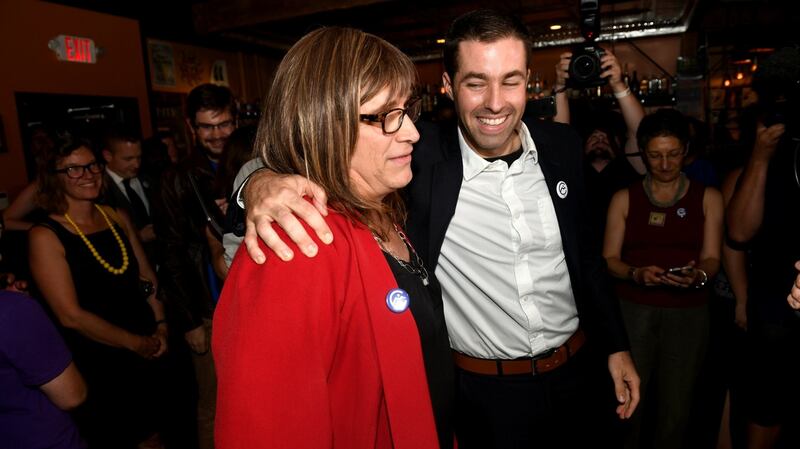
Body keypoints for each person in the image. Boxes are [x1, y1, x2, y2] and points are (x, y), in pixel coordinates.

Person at [238, 9, 639, 449]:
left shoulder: (561, 145)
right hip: (484, 393)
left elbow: (585, 258)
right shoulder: (419, 155)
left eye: (510, 80)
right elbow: (312, 135)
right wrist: (258, 182)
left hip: (577, 371)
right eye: (475, 82)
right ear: (448, 87)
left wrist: (615, 346)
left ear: (529, 80)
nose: (495, 102)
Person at [213, 26, 449, 449]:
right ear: (325, 124)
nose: (412, 131)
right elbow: (266, 430)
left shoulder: (379, 213)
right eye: (386, 116)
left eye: (408, 110)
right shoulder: (297, 245)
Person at [28, 134, 168, 448]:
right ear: (54, 177)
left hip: (148, 348)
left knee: (158, 435)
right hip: (100, 361)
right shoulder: (45, 235)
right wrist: (135, 343)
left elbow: (146, 276)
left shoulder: (115, 215)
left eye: (92, 166)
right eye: (74, 169)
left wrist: (161, 324)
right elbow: (70, 316)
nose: (88, 174)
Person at [603, 108, 723, 449]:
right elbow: (609, 259)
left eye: (673, 154)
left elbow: (713, 257)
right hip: (634, 311)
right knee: (629, 401)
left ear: (686, 151)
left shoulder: (708, 198)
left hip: (689, 313)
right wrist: (636, 274)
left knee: (677, 405)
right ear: (643, 153)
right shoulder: (624, 198)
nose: (665, 164)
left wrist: (698, 275)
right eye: (655, 156)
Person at [153, 83, 236, 449]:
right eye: (207, 126)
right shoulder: (176, 178)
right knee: (213, 403)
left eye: (224, 124)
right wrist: (188, 321)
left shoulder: (250, 163)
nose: (216, 134)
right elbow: (171, 252)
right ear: (191, 127)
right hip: (207, 306)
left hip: (247, 300)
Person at [726, 46, 800, 449]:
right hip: (774, 314)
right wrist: (760, 156)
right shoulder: (769, 149)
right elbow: (737, 233)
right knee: (765, 418)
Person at [100, 125, 158, 266]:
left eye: (139, 157)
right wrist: (138, 236)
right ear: (108, 156)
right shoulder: (99, 189)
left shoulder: (150, 179)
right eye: (128, 159)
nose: (136, 164)